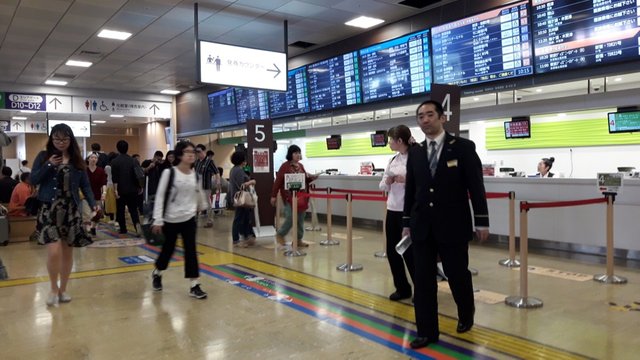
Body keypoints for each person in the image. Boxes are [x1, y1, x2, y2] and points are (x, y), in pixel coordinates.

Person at [403, 100, 489, 349]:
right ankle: (427, 331)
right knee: (423, 279)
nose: (425, 120)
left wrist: (481, 221)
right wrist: (407, 222)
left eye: (430, 115)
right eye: (420, 116)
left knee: (457, 274)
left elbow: (476, 186)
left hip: (453, 224)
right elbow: (412, 190)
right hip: (422, 226)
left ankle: (466, 312)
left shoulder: (462, 147)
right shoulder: (416, 152)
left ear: (442, 118)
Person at [30, 123, 98, 306]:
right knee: (53, 250)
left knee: (68, 252)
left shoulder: (77, 160)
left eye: (65, 138)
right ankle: (53, 288)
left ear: (71, 139)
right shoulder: (44, 156)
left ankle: (63, 289)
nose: (61, 142)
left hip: (70, 209)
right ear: (52, 139)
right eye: (57, 138)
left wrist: (94, 204)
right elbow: (33, 179)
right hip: (49, 209)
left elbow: (85, 186)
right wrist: (49, 165)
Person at [151, 141, 209, 299]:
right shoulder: (169, 174)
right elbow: (160, 196)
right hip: (170, 219)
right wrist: (157, 219)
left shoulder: (195, 175)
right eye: (187, 152)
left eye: (193, 151)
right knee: (167, 251)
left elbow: (198, 192)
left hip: (189, 218)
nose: (191, 154)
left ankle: (194, 284)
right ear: (179, 155)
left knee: (191, 251)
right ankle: (157, 272)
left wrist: (202, 204)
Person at [378, 125, 416, 301]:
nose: (389, 144)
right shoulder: (393, 159)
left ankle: (422, 289)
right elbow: (382, 186)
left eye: (390, 140)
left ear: (400, 141)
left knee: (410, 252)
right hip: (392, 210)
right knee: (392, 251)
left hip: (408, 212)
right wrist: (388, 180)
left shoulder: (415, 158)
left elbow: (424, 183)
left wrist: (406, 180)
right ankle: (402, 288)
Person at [270, 145, 318, 248]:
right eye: (295, 153)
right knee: (291, 217)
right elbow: (278, 181)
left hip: (301, 197)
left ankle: (298, 239)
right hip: (289, 197)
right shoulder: (285, 166)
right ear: (290, 154)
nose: (298, 155)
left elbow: (304, 179)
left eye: (299, 153)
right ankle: (280, 234)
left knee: (300, 219)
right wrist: (273, 195)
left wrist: (312, 178)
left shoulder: (301, 166)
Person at [111, 140, 142, 235]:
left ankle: (123, 229)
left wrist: (115, 190)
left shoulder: (114, 161)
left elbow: (114, 178)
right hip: (133, 189)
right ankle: (137, 225)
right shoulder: (133, 160)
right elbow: (138, 175)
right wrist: (140, 186)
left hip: (121, 189)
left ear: (117, 148)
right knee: (133, 210)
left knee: (120, 210)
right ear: (127, 148)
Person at [228, 151, 256, 247]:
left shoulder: (233, 169)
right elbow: (241, 186)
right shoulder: (239, 170)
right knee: (239, 219)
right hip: (241, 198)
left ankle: (246, 236)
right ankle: (236, 240)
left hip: (236, 197)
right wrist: (251, 181)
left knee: (243, 218)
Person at [194, 144, 220, 228]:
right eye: (196, 152)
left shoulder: (209, 161)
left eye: (199, 151)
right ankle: (194, 221)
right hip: (197, 187)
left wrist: (218, 183)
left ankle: (210, 221)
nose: (197, 153)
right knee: (196, 204)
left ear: (204, 151)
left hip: (206, 186)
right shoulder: (197, 162)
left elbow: (216, 172)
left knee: (207, 204)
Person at [86, 152, 107, 235]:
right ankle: (87, 228)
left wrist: (104, 192)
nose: (94, 159)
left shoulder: (100, 170)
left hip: (97, 194)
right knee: (87, 213)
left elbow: (104, 183)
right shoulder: (84, 170)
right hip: (86, 196)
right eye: (92, 157)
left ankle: (93, 227)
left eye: (95, 158)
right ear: (88, 159)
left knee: (98, 213)